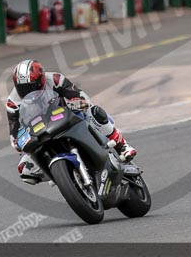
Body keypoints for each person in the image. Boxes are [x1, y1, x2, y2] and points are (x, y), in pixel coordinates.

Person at [7, 59, 136, 185]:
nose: (28, 91)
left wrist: (77, 102)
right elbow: (14, 131)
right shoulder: (13, 102)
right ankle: (60, 177)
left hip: (64, 116)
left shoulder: (55, 79)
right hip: (40, 132)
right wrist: (17, 142)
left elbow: (79, 95)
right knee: (24, 169)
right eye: (22, 88)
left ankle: (121, 146)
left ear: (41, 79)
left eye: (32, 86)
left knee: (93, 111)